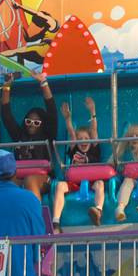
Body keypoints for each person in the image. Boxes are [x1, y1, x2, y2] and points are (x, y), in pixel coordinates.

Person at [0, 71, 57, 200]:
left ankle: (36, 217)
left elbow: (52, 110)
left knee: (30, 180)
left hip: (43, 179)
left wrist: (43, 83)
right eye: (29, 121)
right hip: (20, 178)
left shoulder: (48, 135)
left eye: (36, 122)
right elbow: (6, 115)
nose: (32, 125)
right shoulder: (19, 135)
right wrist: (6, 87)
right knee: (5, 184)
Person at [51, 97, 103, 232]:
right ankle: (56, 222)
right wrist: (67, 118)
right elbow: (70, 132)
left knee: (100, 184)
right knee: (60, 186)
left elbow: (94, 129)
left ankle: (98, 211)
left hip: (91, 181)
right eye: (80, 139)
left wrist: (93, 111)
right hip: (75, 182)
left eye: (86, 138)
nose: (83, 141)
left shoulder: (94, 147)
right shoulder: (74, 148)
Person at [0, 1, 60, 65]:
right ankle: (20, 70)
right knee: (20, 54)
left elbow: (38, 14)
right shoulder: (45, 32)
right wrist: (22, 26)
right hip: (42, 57)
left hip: (43, 50)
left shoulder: (52, 22)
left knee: (15, 51)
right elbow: (28, 39)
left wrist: (19, 6)